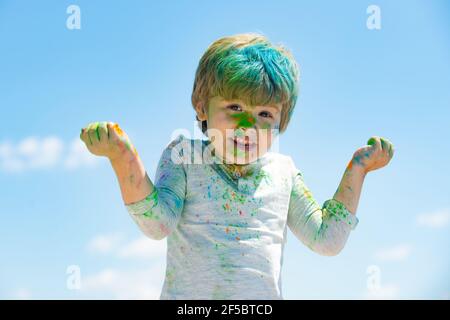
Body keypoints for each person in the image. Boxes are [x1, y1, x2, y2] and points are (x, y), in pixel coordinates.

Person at [80, 33, 394, 299]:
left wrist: (358, 169)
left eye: (265, 114)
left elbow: (327, 241)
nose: (249, 126)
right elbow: (156, 224)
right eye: (235, 107)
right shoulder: (184, 157)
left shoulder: (284, 173)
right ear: (202, 107)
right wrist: (122, 158)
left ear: (280, 121)